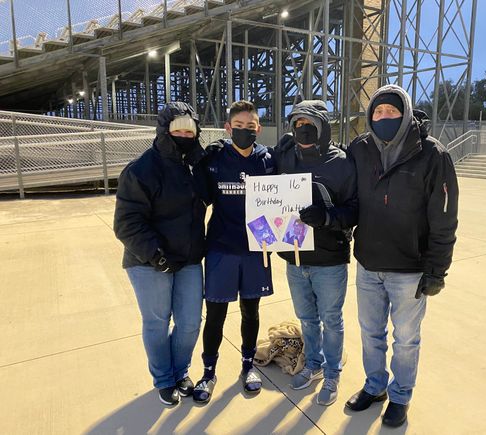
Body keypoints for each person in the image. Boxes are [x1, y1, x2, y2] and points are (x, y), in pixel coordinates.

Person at [345, 85, 458, 427]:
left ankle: (400, 395)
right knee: (370, 332)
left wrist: (437, 269)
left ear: (405, 113)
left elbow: (444, 217)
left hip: (409, 268)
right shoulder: (360, 149)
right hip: (368, 263)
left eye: (391, 111)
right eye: (378, 112)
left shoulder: (432, 154)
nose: (384, 117)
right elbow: (346, 195)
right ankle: (375, 386)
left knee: (406, 339)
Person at [113, 102, 208, 406]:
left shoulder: (196, 166)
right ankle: (165, 379)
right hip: (150, 262)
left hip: (189, 259)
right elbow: (126, 223)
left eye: (190, 131)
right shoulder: (141, 169)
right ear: (164, 130)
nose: (184, 135)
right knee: (157, 322)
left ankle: (180, 371)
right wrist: (156, 255)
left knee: (190, 322)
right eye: (178, 129)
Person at [273, 100, 357, 406]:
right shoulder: (286, 156)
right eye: (297, 124)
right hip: (295, 258)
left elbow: (355, 209)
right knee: (307, 318)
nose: (303, 129)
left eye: (310, 124)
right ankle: (313, 363)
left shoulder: (341, 162)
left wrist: (327, 218)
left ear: (322, 127)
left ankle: (332, 372)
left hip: (329, 259)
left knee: (331, 319)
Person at [192, 100, 276, 404]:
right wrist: (199, 159)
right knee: (215, 315)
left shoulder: (268, 160)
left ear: (258, 128)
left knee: (250, 311)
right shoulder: (215, 158)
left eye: (250, 126)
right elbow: (198, 199)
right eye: (238, 126)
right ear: (228, 128)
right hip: (221, 248)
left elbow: (285, 200)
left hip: (256, 249)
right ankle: (208, 372)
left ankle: (248, 366)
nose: (244, 131)